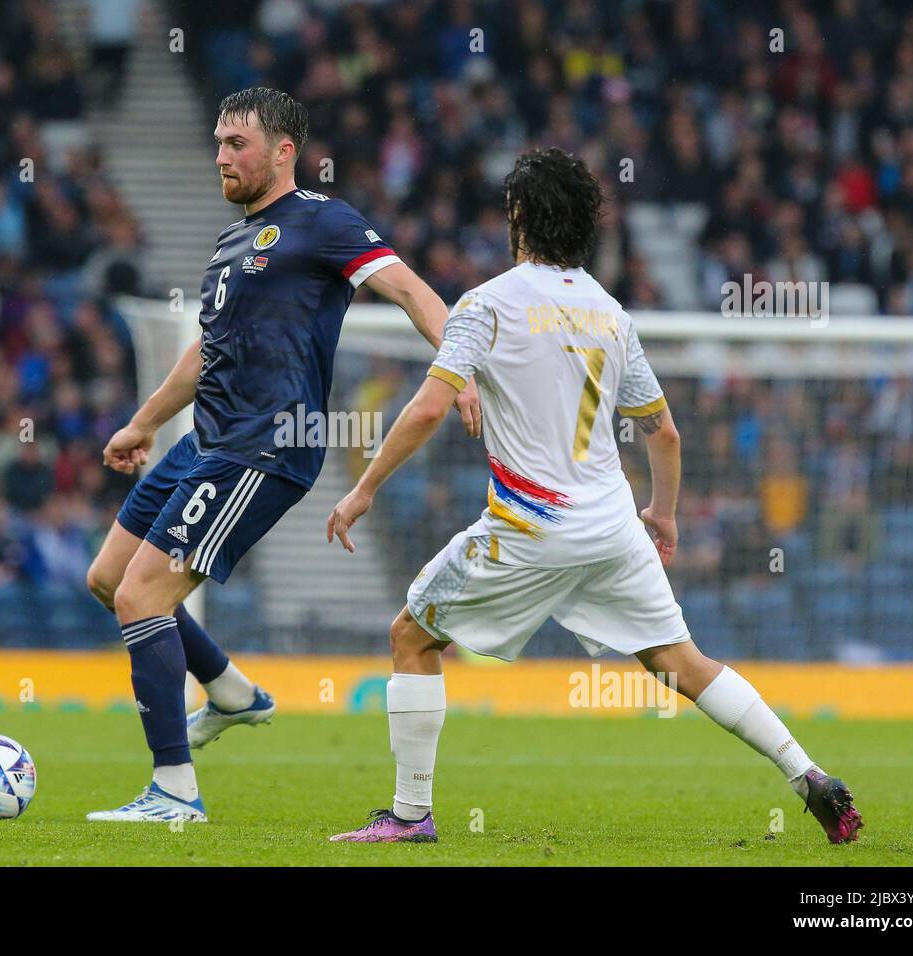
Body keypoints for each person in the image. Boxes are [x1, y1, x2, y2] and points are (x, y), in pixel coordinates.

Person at [325, 148, 862, 845]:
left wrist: (364, 488)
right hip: (612, 525)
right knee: (681, 661)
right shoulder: (610, 313)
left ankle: (409, 816)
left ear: (518, 216)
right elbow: (662, 432)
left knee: (412, 636)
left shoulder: (485, 304)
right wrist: (662, 515)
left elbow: (429, 409)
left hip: (531, 525)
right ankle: (809, 775)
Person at [84, 88, 480, 823]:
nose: (222, 155)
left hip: (264, 448)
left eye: (237, 143)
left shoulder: (323, 221)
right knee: (109, 579)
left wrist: (460, 368)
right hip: (207, 440)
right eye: (218, 142)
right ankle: (233, 694)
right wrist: (142, 424)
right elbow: (207, 353)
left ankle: (174, 793)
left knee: (144, 597)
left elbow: (409, 288)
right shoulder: (232, 243)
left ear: (283, 151)